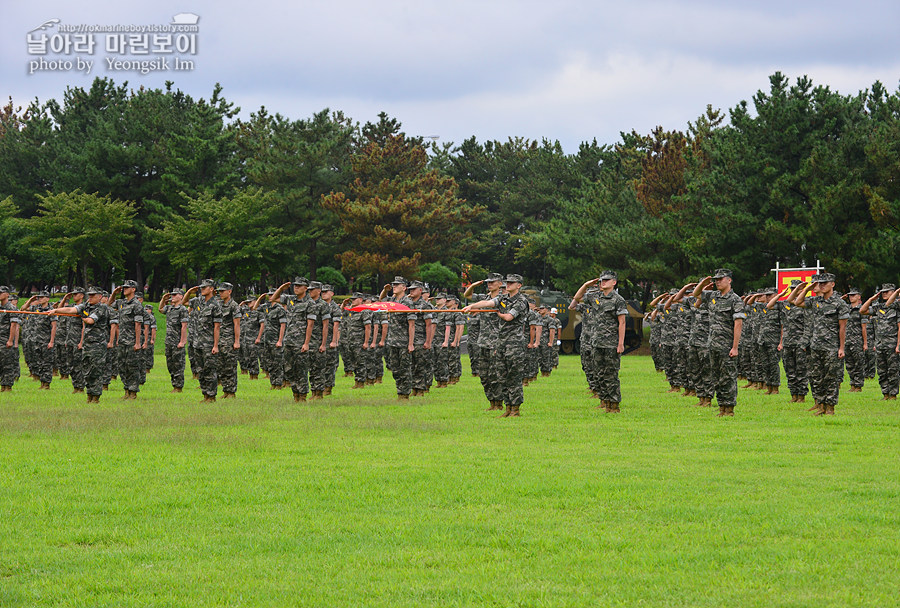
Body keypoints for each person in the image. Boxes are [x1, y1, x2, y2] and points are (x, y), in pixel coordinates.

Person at [465, 274, 529, 417]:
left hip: (514, 344)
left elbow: (509, 317)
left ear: (519, 285)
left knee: (514, 377)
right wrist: (471, 306)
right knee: (502, 376)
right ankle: (507, 408)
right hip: (501, 343)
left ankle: (515, 409)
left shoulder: (521, 301)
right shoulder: (503, 298)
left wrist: (499, 313)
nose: (508, 284)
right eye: (507, 282)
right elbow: (487, 303)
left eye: (512, 283)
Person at [790, 274, 849, 415]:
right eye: (820, 283)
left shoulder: (839, 303)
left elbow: (842, 328)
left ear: (832, 284)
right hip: (816, 346)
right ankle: (821, 405)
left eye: (825, 283)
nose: (822, 286)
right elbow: (796, 302)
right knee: (817, 378)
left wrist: (841, 347)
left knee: (831, 378)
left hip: (831, 347)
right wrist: (807, 288)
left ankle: (830, 408)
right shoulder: (816, 300)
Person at [572, 270, 628, 412]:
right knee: (599, 374)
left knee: (611, 375)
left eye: (606, 280)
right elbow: (575, 301)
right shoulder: (595, 297)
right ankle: (605, 402)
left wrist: (621, 343)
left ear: (614, 282)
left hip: (611, 343)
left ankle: (614, 405)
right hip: (596, 343)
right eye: (601, 280)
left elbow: (622, 323)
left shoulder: (618, 300)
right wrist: (585, 285)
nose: (603, 282)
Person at [692, 269, 745, 417]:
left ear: (729, 280)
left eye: (720, 279)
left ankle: (729, 408)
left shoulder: (735, 299)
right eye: (716, 279)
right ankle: (722, 407)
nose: (717, 281)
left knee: (728, 377)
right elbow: (696, 294)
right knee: (716, 378)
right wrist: (703, 283)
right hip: (713, 345)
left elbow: (738, 323)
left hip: (727, 346)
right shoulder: (713, 296)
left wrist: (735, 347)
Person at [52, 286, 110, 402]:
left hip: (98, 345)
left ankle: (96, 396)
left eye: (93, 295)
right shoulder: (86, 306)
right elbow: (71, 310)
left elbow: (90, 320)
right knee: (87, 370)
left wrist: (82, 315)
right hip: (87, 344)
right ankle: (89, 394)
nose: (91, 297)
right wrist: (55, 311)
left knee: (96, 371)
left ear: (100, 297)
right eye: (90, 295)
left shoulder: (102, 308)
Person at [465, 274, 505, 410]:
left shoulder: (503, 298)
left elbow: (488, 304)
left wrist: (472, 307)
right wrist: (473, 285)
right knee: (483, 374)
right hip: (483, 341)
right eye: (488, 282)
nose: (489, 284)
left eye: (492, 282)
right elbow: (467, 295)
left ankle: (498, 403)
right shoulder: (485, 297)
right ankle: (491, 402)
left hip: (496, 342)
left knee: (495, 374)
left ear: (500, 283)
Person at [769, 280, 809, 403]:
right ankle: (793, 395)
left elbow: (809, 325)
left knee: (801, 370)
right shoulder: (784, 304)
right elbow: (769, 306)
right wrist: (780, 295)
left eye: (797, 289)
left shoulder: (805, 305)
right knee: (789, 370)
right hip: (787, 342)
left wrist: (805, 342)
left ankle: (801, 395)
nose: (795, 291)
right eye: (793, 289)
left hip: (800, 342)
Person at [860, 283, 900, 400]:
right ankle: (885, 393)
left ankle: (893, 394)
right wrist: (872, 299)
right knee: (882, 371)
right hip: (880, 344)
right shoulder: (879, 307)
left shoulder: (896, 308)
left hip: (892, 344)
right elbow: (862, 310)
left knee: (893, 370)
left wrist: (898, 345)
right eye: (883, 292)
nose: (884, 294)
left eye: (887, 292)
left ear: (893, 292)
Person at [382, 276, 415, 400]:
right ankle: (399, 389)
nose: (394, 286)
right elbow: (382, 300)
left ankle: (404, 393)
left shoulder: (408, 303)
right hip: (392, 340)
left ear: (404, 287)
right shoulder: (393, 300)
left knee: (405, 368)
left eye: (397, 285)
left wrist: (411, 343)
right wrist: (385, 290)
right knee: (395, 369)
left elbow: (411, 324)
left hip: (404, 341)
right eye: (393, 285)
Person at [191, 279, 222, 402]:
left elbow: (217, 327)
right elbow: (184, 302)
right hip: (198, 342)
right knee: (201, 370)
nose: (202, 289)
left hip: (209, 343)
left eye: (205, 288)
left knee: (210, 369)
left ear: (211, 289)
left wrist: (215, 345)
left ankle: (211, 395)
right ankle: (205, 394)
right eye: (201, 288)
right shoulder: (200, 303)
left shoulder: (215, 305)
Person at [20, 290, 56, 390]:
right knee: (39, 362)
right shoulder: (36, 308)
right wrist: (31, 299)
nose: (40, 299)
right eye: (38, 297)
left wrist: (51, 341)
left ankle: (47, 384)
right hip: (37, 340)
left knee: (47, 363)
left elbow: (54, 326)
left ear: (47, 298)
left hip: (46, 340)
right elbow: (23, 309)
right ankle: (42, 382)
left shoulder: (51, 310)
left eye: (42, 297)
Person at [159, 289, 189, 393]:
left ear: (181, 296)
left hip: (177, 342)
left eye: (175, 295)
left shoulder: (183, 309)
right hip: (169, 342)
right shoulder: (169, 308)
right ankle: (174, 385)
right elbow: (160, 309)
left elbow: (184, 326)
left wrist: (182, 341)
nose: (173, 296)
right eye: (172, 295)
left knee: (178, 364)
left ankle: (178, 387)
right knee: (170, 364)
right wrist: (163, 299)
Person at [407, 280, 433, 396]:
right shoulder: (408, 304)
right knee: (411, 365)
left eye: (414, 289)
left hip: (420, 338)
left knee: (420, 365)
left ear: (420, 290)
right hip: (409, 339)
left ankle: (421, 389)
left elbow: (429, 324)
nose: (411, 291)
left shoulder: (425, 305)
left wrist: (428, 341)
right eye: (410, 289)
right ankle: (414, 388)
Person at [216, 282, 241, 399]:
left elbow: (237, 324)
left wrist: (236, 341)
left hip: (229, 340)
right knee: (222, 367)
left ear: (229, 291)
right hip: (220, 340)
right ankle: (225, 391)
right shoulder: (218, 305)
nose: (220, 293)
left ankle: (231, 392)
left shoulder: (234, 305)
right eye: (219, 291)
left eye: (222, 291)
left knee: (230, 366)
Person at [843, 287, 868, 392]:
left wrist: (865, 343)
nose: (851, 297)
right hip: (847, 340)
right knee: (849, 364)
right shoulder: (846, 309)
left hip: (857, 340)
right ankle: (852, 384)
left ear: (859, 296)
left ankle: (858, 385)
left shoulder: (861, 310)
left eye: (853, 295)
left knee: (858, 363)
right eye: (850, 295)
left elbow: (864, 327)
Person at [0, 286, 21, 392]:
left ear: (7, 294)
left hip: (5, 339)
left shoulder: (11, 308)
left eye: (1, 293)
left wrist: (10, 340)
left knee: (7, 363)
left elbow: (13, 325)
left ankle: (8, 386)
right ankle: (2, 385)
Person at [322, 285, 342, 395]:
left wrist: (334, 341)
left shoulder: (334, 308)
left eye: (326, 292)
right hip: (320, 339)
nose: (323, 294)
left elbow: (336, 325)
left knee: (329, 365)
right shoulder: (319, 305)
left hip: (330, 339)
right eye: (322, 292)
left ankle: (328, 388)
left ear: (332, 294)